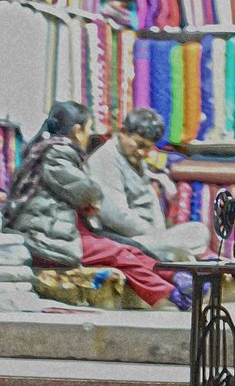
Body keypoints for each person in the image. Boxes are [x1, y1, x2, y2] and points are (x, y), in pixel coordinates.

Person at [1, 101, 191, 310]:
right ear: (77, 131)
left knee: (129, 249)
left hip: (63, 230)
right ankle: (169, 293)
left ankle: (175, 276)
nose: (91, 134)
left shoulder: (48, 152)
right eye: (88, 128)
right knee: (119, 253)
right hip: (48, 237)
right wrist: (92, 202)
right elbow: (87, 193)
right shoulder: (56, 154)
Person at [86, 108, 208, 261]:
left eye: (148, 148)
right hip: (121, 239)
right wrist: (155, 235)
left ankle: (169, 252)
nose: (143, 153)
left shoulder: (134, 158)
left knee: (200, 231)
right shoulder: (105, 159)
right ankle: (169, 253)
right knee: (172, 247)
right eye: (139, 144)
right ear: (123, 132)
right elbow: (115, 216)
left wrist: (160, 233)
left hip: (149, 236)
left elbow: (150, 200)